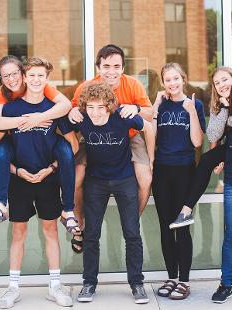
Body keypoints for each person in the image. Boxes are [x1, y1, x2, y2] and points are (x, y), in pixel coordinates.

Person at [0, 57, 78, 308]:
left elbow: (72, 146)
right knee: (19, 233)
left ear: (47, 79)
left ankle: (55, 286)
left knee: (50, 230)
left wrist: (51, 169)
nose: (35, 80)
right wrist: (17, 170)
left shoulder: (54, 107)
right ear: (24, 77)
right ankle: (13, 288)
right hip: (20, 178)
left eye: (40, 76)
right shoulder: (11, 108)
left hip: (47, 178)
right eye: (30, 75)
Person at [71, 81, 154, 304]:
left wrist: (151, 159)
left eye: (100, 107)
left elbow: (149, 127)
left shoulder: (123, 117)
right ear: (85, 107)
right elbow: (62, 130)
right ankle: (89, 283)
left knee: (132, 233)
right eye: (90, 108)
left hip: (124, 178)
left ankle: (137, 283)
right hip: (95, 181)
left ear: (109, 105)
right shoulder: (82, 118)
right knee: (91, 234)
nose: (95, 113)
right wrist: (70, 113)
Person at [68, 44, 153, 252]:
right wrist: (71, 113)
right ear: (98, 67)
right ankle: (80, 227)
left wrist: (138, 108)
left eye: (116, 66)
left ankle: (131, 224)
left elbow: (150, 114)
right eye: (106, 66)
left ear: (123, 68)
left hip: (130, 137)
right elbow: (70, 108)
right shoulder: (87, 87)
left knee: (146, 179)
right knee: (76, 176)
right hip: (93, 138)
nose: (111, 71)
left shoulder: (132, 85)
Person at [0, 55, 80, 236]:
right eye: (5, 76)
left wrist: (39, 118)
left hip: (47, 146)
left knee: (66, 151)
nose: (11, 79)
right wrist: (27, 121)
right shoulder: (3, 95)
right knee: (3, 151)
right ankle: (0, 204)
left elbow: (65, 105)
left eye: (14, 74)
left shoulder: (43, 87)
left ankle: (68, 209)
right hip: (16, 144)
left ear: (22, 74)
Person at [152, 63, 206, 300]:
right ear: (163, 83)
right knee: (165, 227)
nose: (172, 84)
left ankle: (184, 281)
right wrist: (154, 105)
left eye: (176, 79)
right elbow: (151, 136)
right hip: (161, 171)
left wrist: (192, 111)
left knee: (181, 227)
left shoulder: (195, 104)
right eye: (168, 80)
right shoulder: (161, 105)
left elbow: (197, 142)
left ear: (183, 79)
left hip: (184, 171)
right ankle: (172, 276)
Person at [170, 67, 232, 229]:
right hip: (231, 148)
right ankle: (186, 211)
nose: (221, 85)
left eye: (225, 80)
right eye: (217, 83)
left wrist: (228, 114)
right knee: (206, 159)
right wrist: (224, 109)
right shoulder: (217, 104)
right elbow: (213, 135)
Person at [210, 80, 232, 303]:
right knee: (231, 235)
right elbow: (212, 135)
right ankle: (226, 284)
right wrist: (226, 107)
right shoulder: (228, 119)